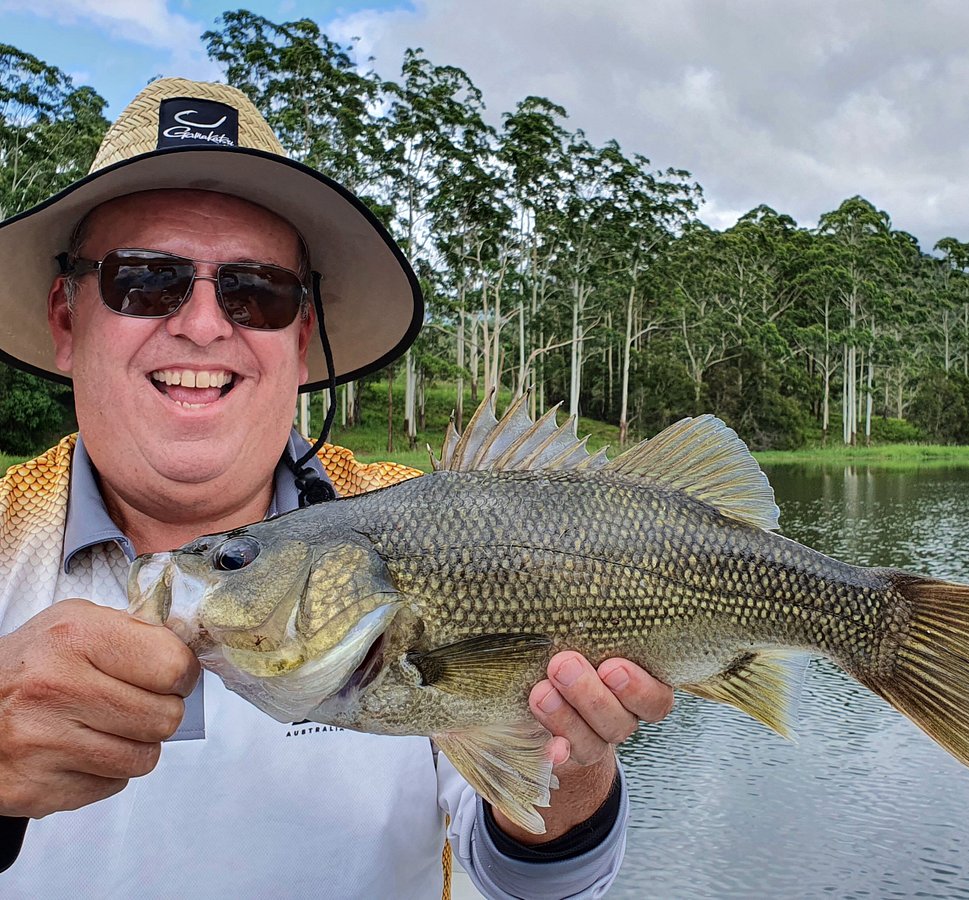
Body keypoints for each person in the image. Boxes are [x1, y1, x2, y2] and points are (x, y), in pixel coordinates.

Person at [0, 78, 674, 898]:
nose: (205, 324)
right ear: (68, 320)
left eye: (256, 291)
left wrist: (573, 767)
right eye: (146, 280)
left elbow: (538, 891)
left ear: (301, 334)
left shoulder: (431, 528)